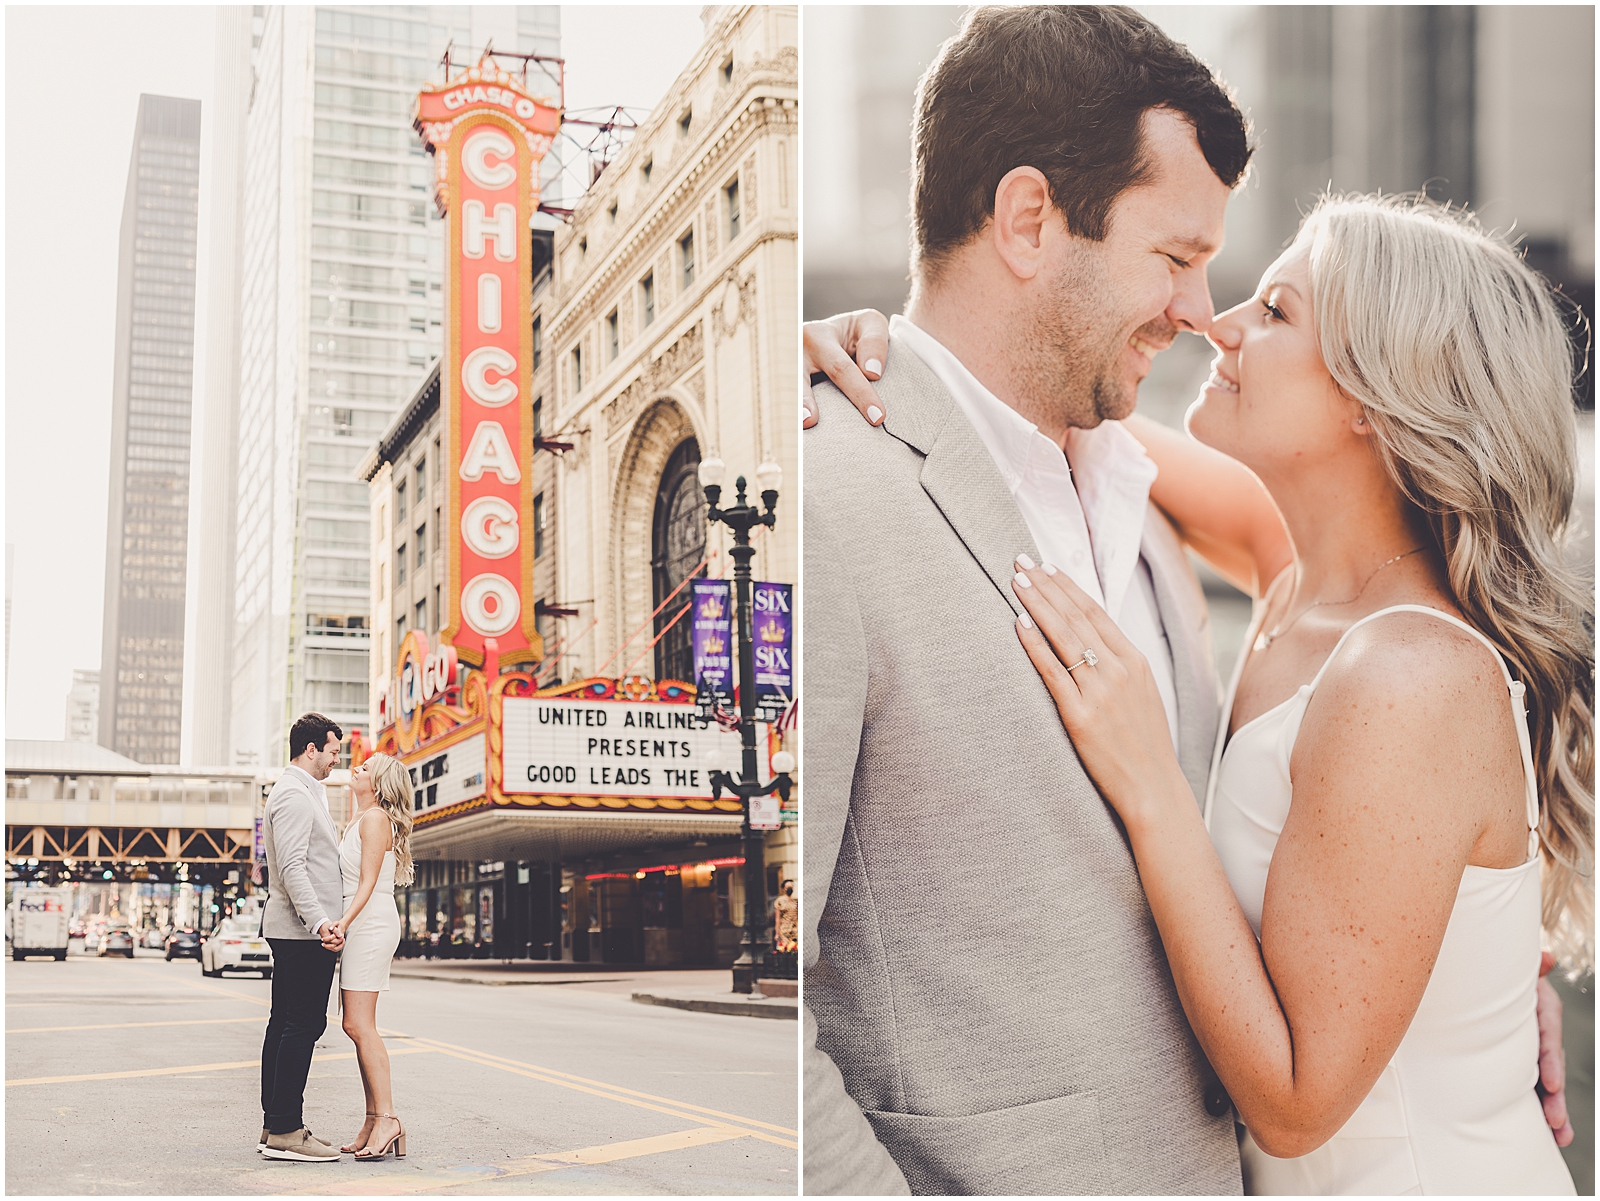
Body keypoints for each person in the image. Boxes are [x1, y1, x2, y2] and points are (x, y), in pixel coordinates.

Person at [802, 6, 1577, 1195]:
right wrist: (866, 359)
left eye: (1264, 305)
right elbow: (991, 430)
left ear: (1374, 395)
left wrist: (1460, 958)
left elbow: (1312, 1059)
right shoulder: (1259, 546)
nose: (1202, 313)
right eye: (1176, 259)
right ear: (1025, 222)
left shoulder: (1359, 634)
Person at [258, 713, 346, 1163]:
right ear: (310, 748)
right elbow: (292, 868)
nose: (336, 760)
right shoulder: (294, 795)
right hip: (302, 932)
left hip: (296, 931)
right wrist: (320, 922)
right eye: (333, 751)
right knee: (302, 1025)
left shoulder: (303, 792)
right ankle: (287, 1130)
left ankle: (276, 1123)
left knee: (285, 1022)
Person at [332, 753, 413, 1161]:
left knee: (361, 1025)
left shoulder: (376, 819)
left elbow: (366, 884)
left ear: (378, 782)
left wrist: (343, 924)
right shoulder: (360, 818)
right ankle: (372, 1117)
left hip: (370, 921)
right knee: (354, 1024)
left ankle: (388, 1118)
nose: (356, 768)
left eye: (366, 767)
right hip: (362, 920)